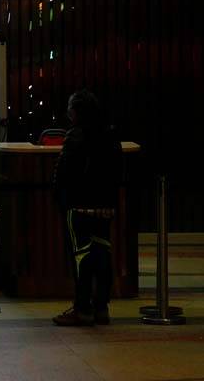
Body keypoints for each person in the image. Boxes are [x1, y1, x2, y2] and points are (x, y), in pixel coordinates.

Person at [52, 89, 123, 326]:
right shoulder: (110, 135)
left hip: (79, 206)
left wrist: (61, 199)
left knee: (82, 257)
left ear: (76, 112)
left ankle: (82, 308)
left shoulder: (75, 136)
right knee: (103, 254)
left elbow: (64, 173)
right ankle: (101, 306)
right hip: (105, 207)